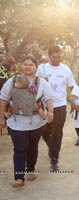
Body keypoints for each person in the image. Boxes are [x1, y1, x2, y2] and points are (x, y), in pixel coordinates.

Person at [0, 55, 54, 187]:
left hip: (37, 123)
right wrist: (1, 117)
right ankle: (19, 178)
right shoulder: (12, 81)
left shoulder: (42, 82)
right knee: (20, 148)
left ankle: (30, 170)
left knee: (32, 147)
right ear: (21, 65)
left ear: (36, 67)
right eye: (25, 64)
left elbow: (49, 98)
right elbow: (3, 99)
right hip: (16, 122)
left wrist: (51, 111)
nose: (28, 66)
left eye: (31, 64)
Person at [36, 45, 76, 171]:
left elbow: (72, 87)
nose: (57, 60)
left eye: (59, 57)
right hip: (43, 105)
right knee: (45, 132)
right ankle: (52, 147)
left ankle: (54, 158)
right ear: (49, 56)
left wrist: (75, 100)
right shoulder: (41, 69)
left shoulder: (65, 69)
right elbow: (33, 84)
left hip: (60, 105)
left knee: (57, 132)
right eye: (54, 57)